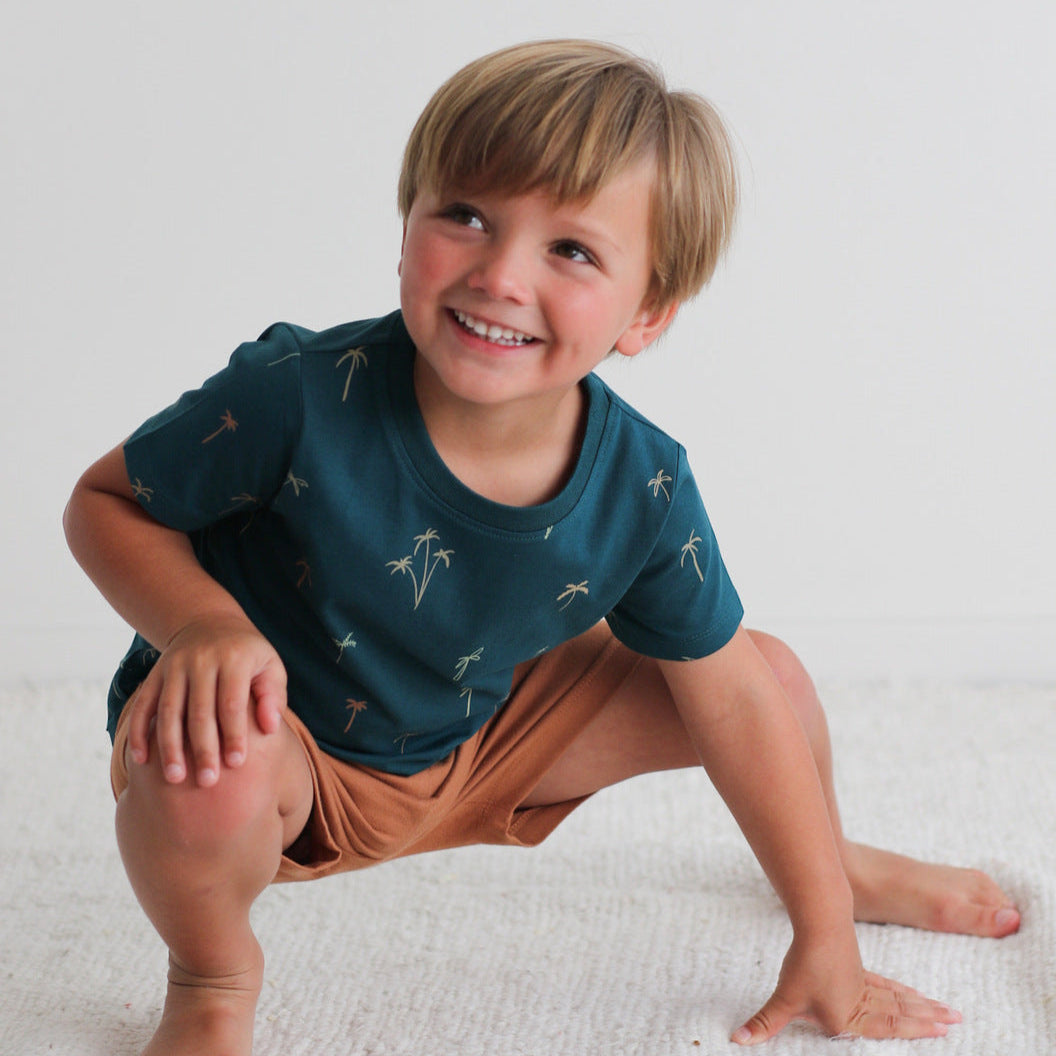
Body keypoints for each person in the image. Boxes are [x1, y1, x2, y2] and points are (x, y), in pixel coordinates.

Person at [63, 39, 1019, 1055]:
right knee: (196, 770)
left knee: (765, 679)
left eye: (572, 250)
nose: (501, 274)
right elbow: (103, 501)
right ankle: (211, 979)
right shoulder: (299, 392)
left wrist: (826, 937)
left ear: (645, 313)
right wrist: (204, 625)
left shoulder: (642, 482)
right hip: (286, 752)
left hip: (487, 733)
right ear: (405, 230)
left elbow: (731, 700)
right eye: (465, 215)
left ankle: (826, 870)